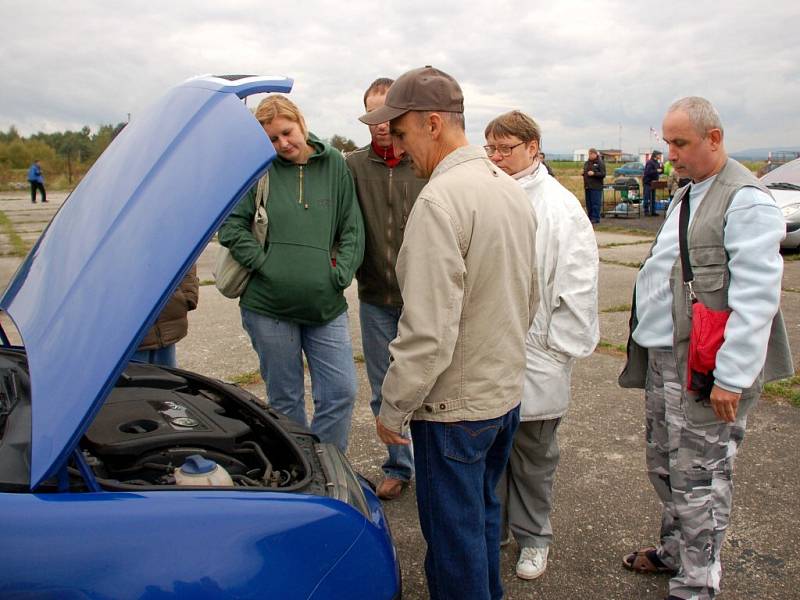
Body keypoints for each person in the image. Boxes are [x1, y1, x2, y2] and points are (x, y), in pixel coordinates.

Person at [361, 66, 538, 600]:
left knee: (453, 544)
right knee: (481, 523)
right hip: (502, 399)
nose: (399, 145)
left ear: (434, 123)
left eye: (403, 132)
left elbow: (426, 332)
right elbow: (525, 300)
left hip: (454, 413)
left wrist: (393, 407)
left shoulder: (439, 202)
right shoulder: (507, 189)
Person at [618, 96, 793, 600]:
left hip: (707, 368)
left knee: (702, 479)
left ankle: (697, 582)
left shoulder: (746, 200)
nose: (670, 153)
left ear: (713, 139)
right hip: (664, 359)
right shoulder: (688, 192)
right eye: (667, 143)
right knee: (667, 466)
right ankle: (675, 553)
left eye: (681, 143)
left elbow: (756, 300)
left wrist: (731, 377)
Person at [484, 110, 599, 581]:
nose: (497, 157)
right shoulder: (489, 193)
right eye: (491, 148)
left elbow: (579, 282)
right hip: (493, 350)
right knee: (495, 452)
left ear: (533, 147)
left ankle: (535, 537)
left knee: (534, 455)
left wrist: (555, 349)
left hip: (539, 351)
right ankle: (503, 529)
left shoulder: (560, 206)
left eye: (506, 148)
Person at [218, 94, 364, 454]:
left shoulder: (334, 164)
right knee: (286, 402)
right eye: (272, 138)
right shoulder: (258, 169)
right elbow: (232, 228)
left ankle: (329, 467)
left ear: (300, 123)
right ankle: (301, 473)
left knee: (340, 392)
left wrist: (339, 274)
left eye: (287, 132)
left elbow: (352, 229)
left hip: (324, 306)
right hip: (268, 308)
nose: (283, 143)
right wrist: (267, 264)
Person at [346, 77, 427, 500]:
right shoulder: (352, 166)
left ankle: (432, 466)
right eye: (372, 113)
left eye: (387, 113)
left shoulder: (423, 164)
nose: (381, 124)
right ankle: (399, 465)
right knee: (383, 388)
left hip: (421, 299)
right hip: (375, 296)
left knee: (428, 387)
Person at [132, 265, 199, 367]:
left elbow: (184, 257)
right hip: (132, 334)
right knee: (133, 381)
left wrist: (188, 295)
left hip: (167, 324)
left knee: (170, 380)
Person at [582, 148, 605, 223]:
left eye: (590, 154)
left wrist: (594, 174)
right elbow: (586, 171)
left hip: (596, 187)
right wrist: (583, 173)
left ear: (595, 154)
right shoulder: (587, 163)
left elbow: (603, 174)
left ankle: (596, 218)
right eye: (589, 154)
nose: (589, 155)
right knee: (589, 203)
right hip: (587, 186)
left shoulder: (600, 162)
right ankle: (590, 217)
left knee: (595, 203)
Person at [642, 149, 664, 216]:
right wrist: (656, 170)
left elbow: (659, 172)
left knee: (653, 198)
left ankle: (653, 211)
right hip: (648, 182)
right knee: (647, 197)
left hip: (654, 183)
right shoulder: (650, 162)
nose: (660, 156)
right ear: (655, 155)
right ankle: (646, 211)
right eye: (659, 155)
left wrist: (662, 169)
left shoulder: (657, 163)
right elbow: (648, 172)